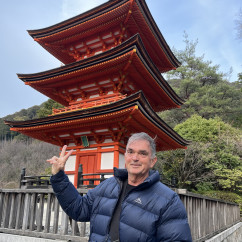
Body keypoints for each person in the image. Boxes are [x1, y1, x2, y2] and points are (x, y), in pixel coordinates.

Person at [48, 132, 192, 241]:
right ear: (125, 155)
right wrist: (58, 176)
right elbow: (79, 209)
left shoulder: (168, 200)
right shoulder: (108, 186)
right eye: (130, 152)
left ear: (152, 161)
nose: (135, 158)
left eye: (142, 153)